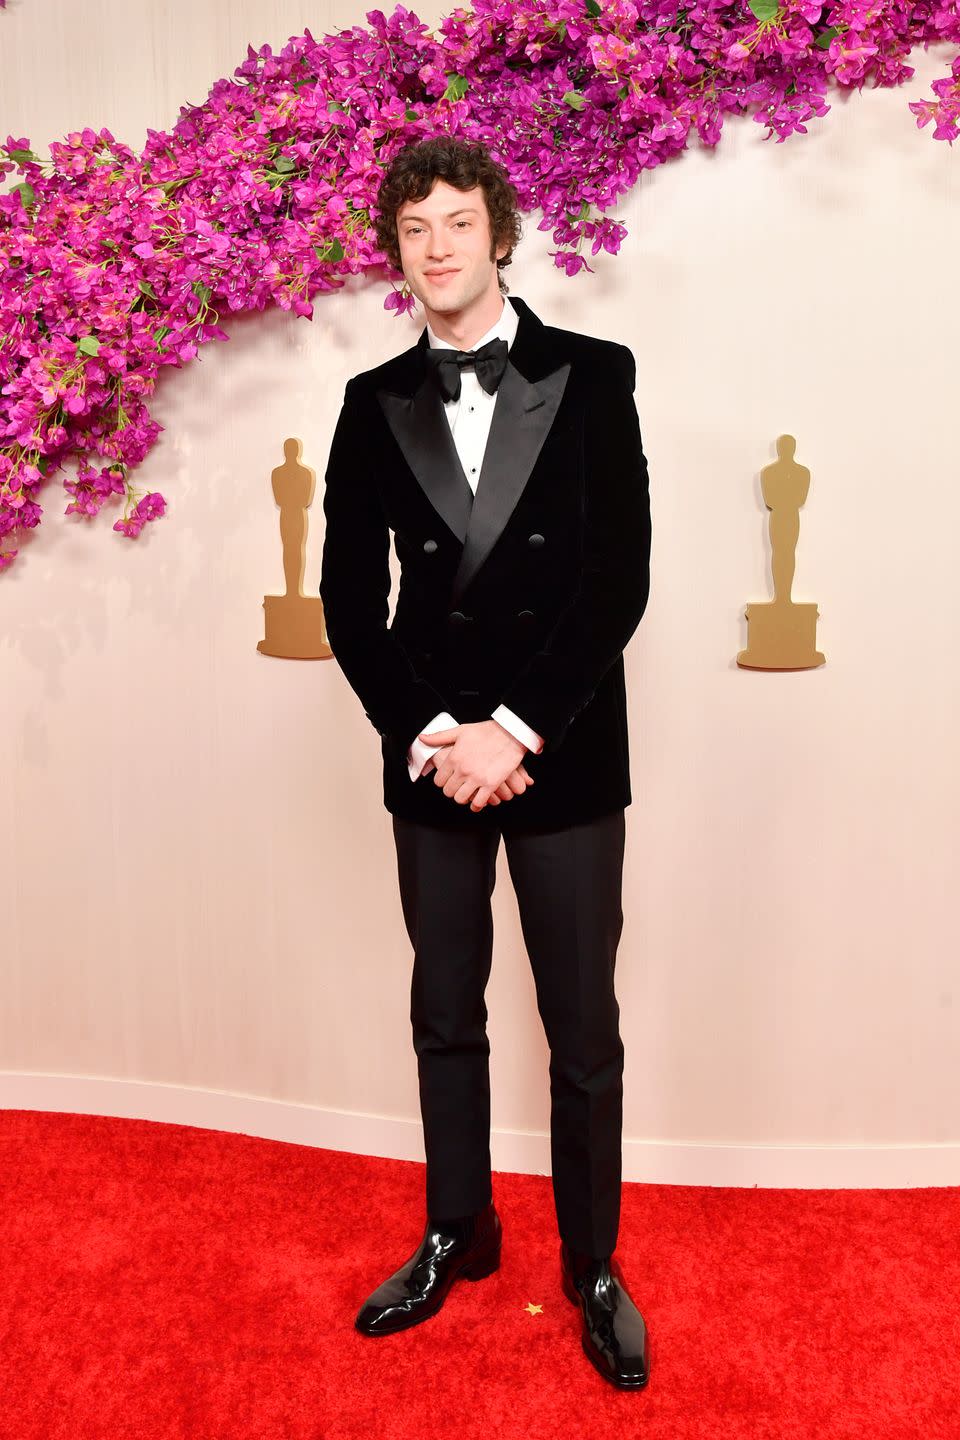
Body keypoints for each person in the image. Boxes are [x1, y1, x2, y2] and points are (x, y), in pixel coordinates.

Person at [318, 135, 652, 1390]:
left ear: (500, 233)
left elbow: (617, 577)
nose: (438, 247)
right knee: (442, 1012)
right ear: (397, 249)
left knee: (582, 1027)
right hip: (430, 748)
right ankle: (458, 1229)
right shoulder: (367, 404)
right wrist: (434, 738)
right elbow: (353, 603)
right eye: (415, 229)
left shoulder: (597, 374)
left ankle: (595, 1265)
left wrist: (514, 730)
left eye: (459, 222)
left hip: (556, 747)